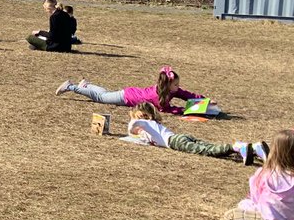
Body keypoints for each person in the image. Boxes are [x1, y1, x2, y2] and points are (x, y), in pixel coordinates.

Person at [123, 104, 265, 165]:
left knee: (207, 150)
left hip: (175, 142)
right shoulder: (152, 126)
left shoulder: (147, 123)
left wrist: (134, 123)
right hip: (180, 137)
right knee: (208, 146)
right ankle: (253, 148)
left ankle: (238, 147)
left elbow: (132, 127)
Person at [56, 66, 205, 114]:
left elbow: (186, 94)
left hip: (130, 92)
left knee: (105, 93)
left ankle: (86, 85)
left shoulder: (171, 90)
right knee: (100, 98)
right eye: (176, 85)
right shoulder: (157, 97)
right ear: (168, 85)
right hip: (126, 98)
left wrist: (203, 100)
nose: (178, 87)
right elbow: (167, 109)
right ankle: (70, 86)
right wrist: (188, 110)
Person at [226, 128, 294, 220]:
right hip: (291, 217)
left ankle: (263, 213)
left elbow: (255, 195)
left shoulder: (263, 173)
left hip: (270, 215)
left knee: (246, 203)